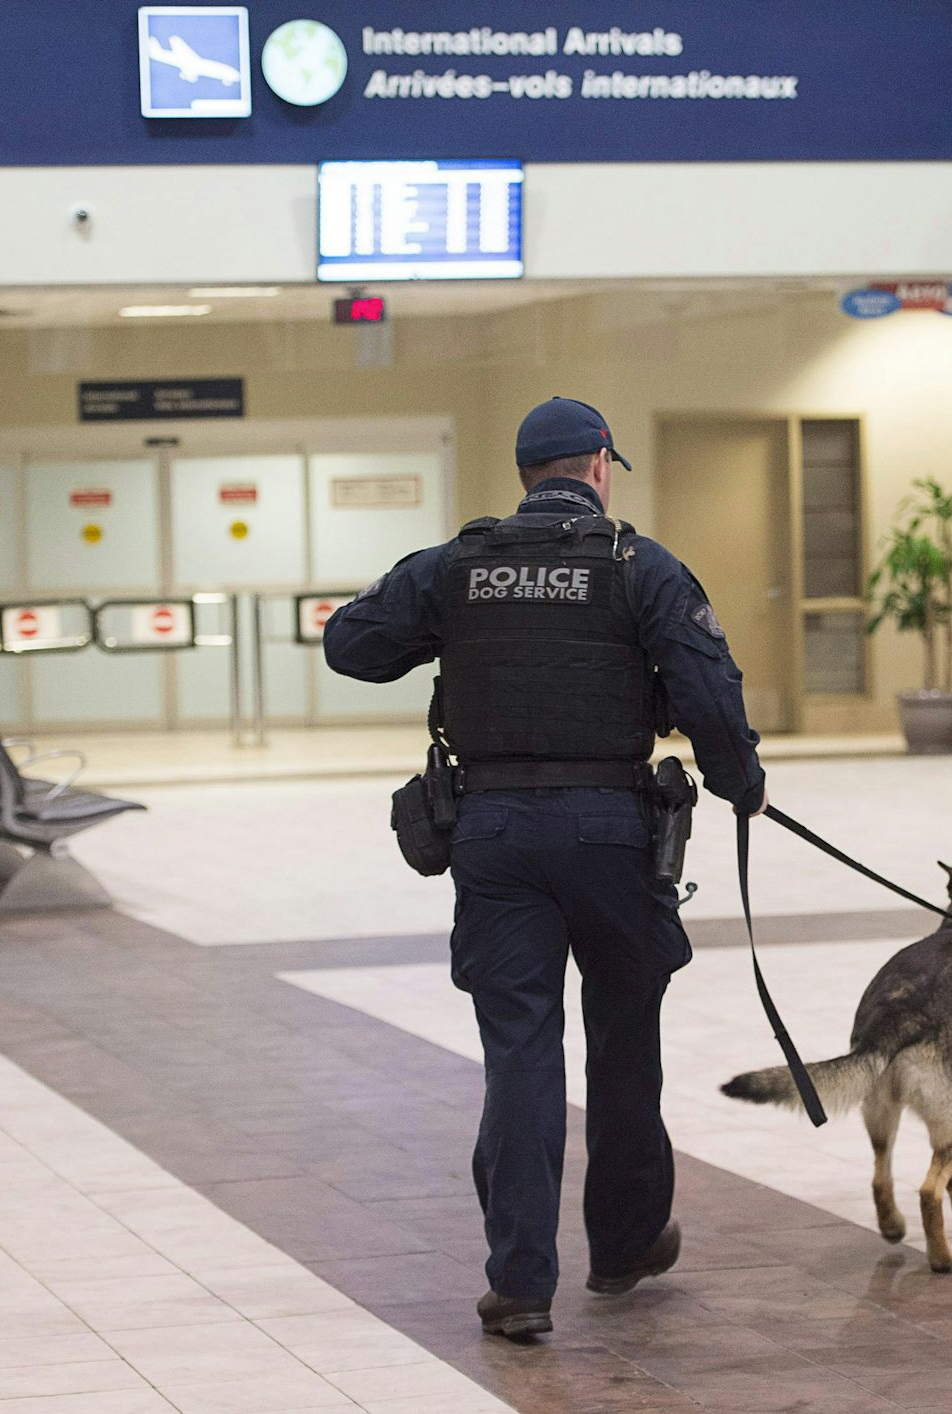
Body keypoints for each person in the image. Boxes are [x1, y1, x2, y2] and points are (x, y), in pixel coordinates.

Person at [323, 396, 766, 1339]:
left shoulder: (459, 565)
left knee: (519, 1051)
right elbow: (706, 693)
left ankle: (521, 1281)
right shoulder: (640, 567)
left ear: (527, 474)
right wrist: (742, 784)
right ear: (600, 466)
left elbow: (351, 646)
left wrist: (438, 614)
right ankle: (625, 1243)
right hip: (614, 836)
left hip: (494, 837)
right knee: (623, 1037)